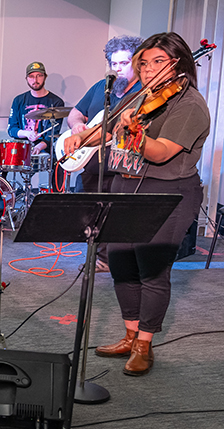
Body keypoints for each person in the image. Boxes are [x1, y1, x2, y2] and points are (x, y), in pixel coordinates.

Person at [63, 32, 210, 376]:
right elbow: (108, 129)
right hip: (125, 185)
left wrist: (135, 134)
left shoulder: (190, 104)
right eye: (142, 63)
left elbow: (160, 152)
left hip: (167, 193)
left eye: (157, 62)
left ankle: (145, 344)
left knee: (152, 269)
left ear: (178, 62)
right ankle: (130, 334)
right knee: (120, 262)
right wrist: (80, 136)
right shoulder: (140, 98)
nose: (147, 70)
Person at [64, 35, 143, 272]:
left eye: (124, 63)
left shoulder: (142, 91)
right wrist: (77, 125)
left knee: (115, 214)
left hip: (121, 165)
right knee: (90, 212)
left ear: (137, 62)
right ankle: (98, 257)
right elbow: (75, 113)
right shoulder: (102, 87)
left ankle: (110, 259)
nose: (118, 69)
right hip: (91, 163)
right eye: (114, 64)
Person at [7, 61, 65, 156]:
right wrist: (26, 133)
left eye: (39, 75)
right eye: (31, 76)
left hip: (43, 149)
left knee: (55, 164)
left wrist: (39, 146)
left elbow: (53, 133)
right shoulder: (18, 100)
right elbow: (11, 129)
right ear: (26, 79)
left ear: (45, 77)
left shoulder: (56, 102)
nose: (35, 80)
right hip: (21, 148)